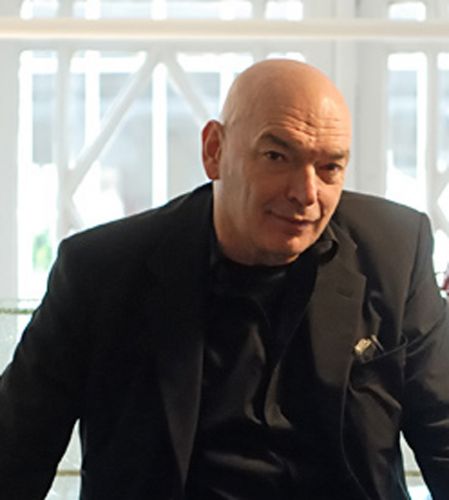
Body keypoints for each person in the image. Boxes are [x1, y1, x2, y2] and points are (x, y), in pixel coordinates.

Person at [1, 59, 448, 500]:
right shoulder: (101, 273)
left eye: (329, 168)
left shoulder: (393, 252)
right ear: (214, 150)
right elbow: (14, 453)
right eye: (277, 156)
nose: (306, 193)